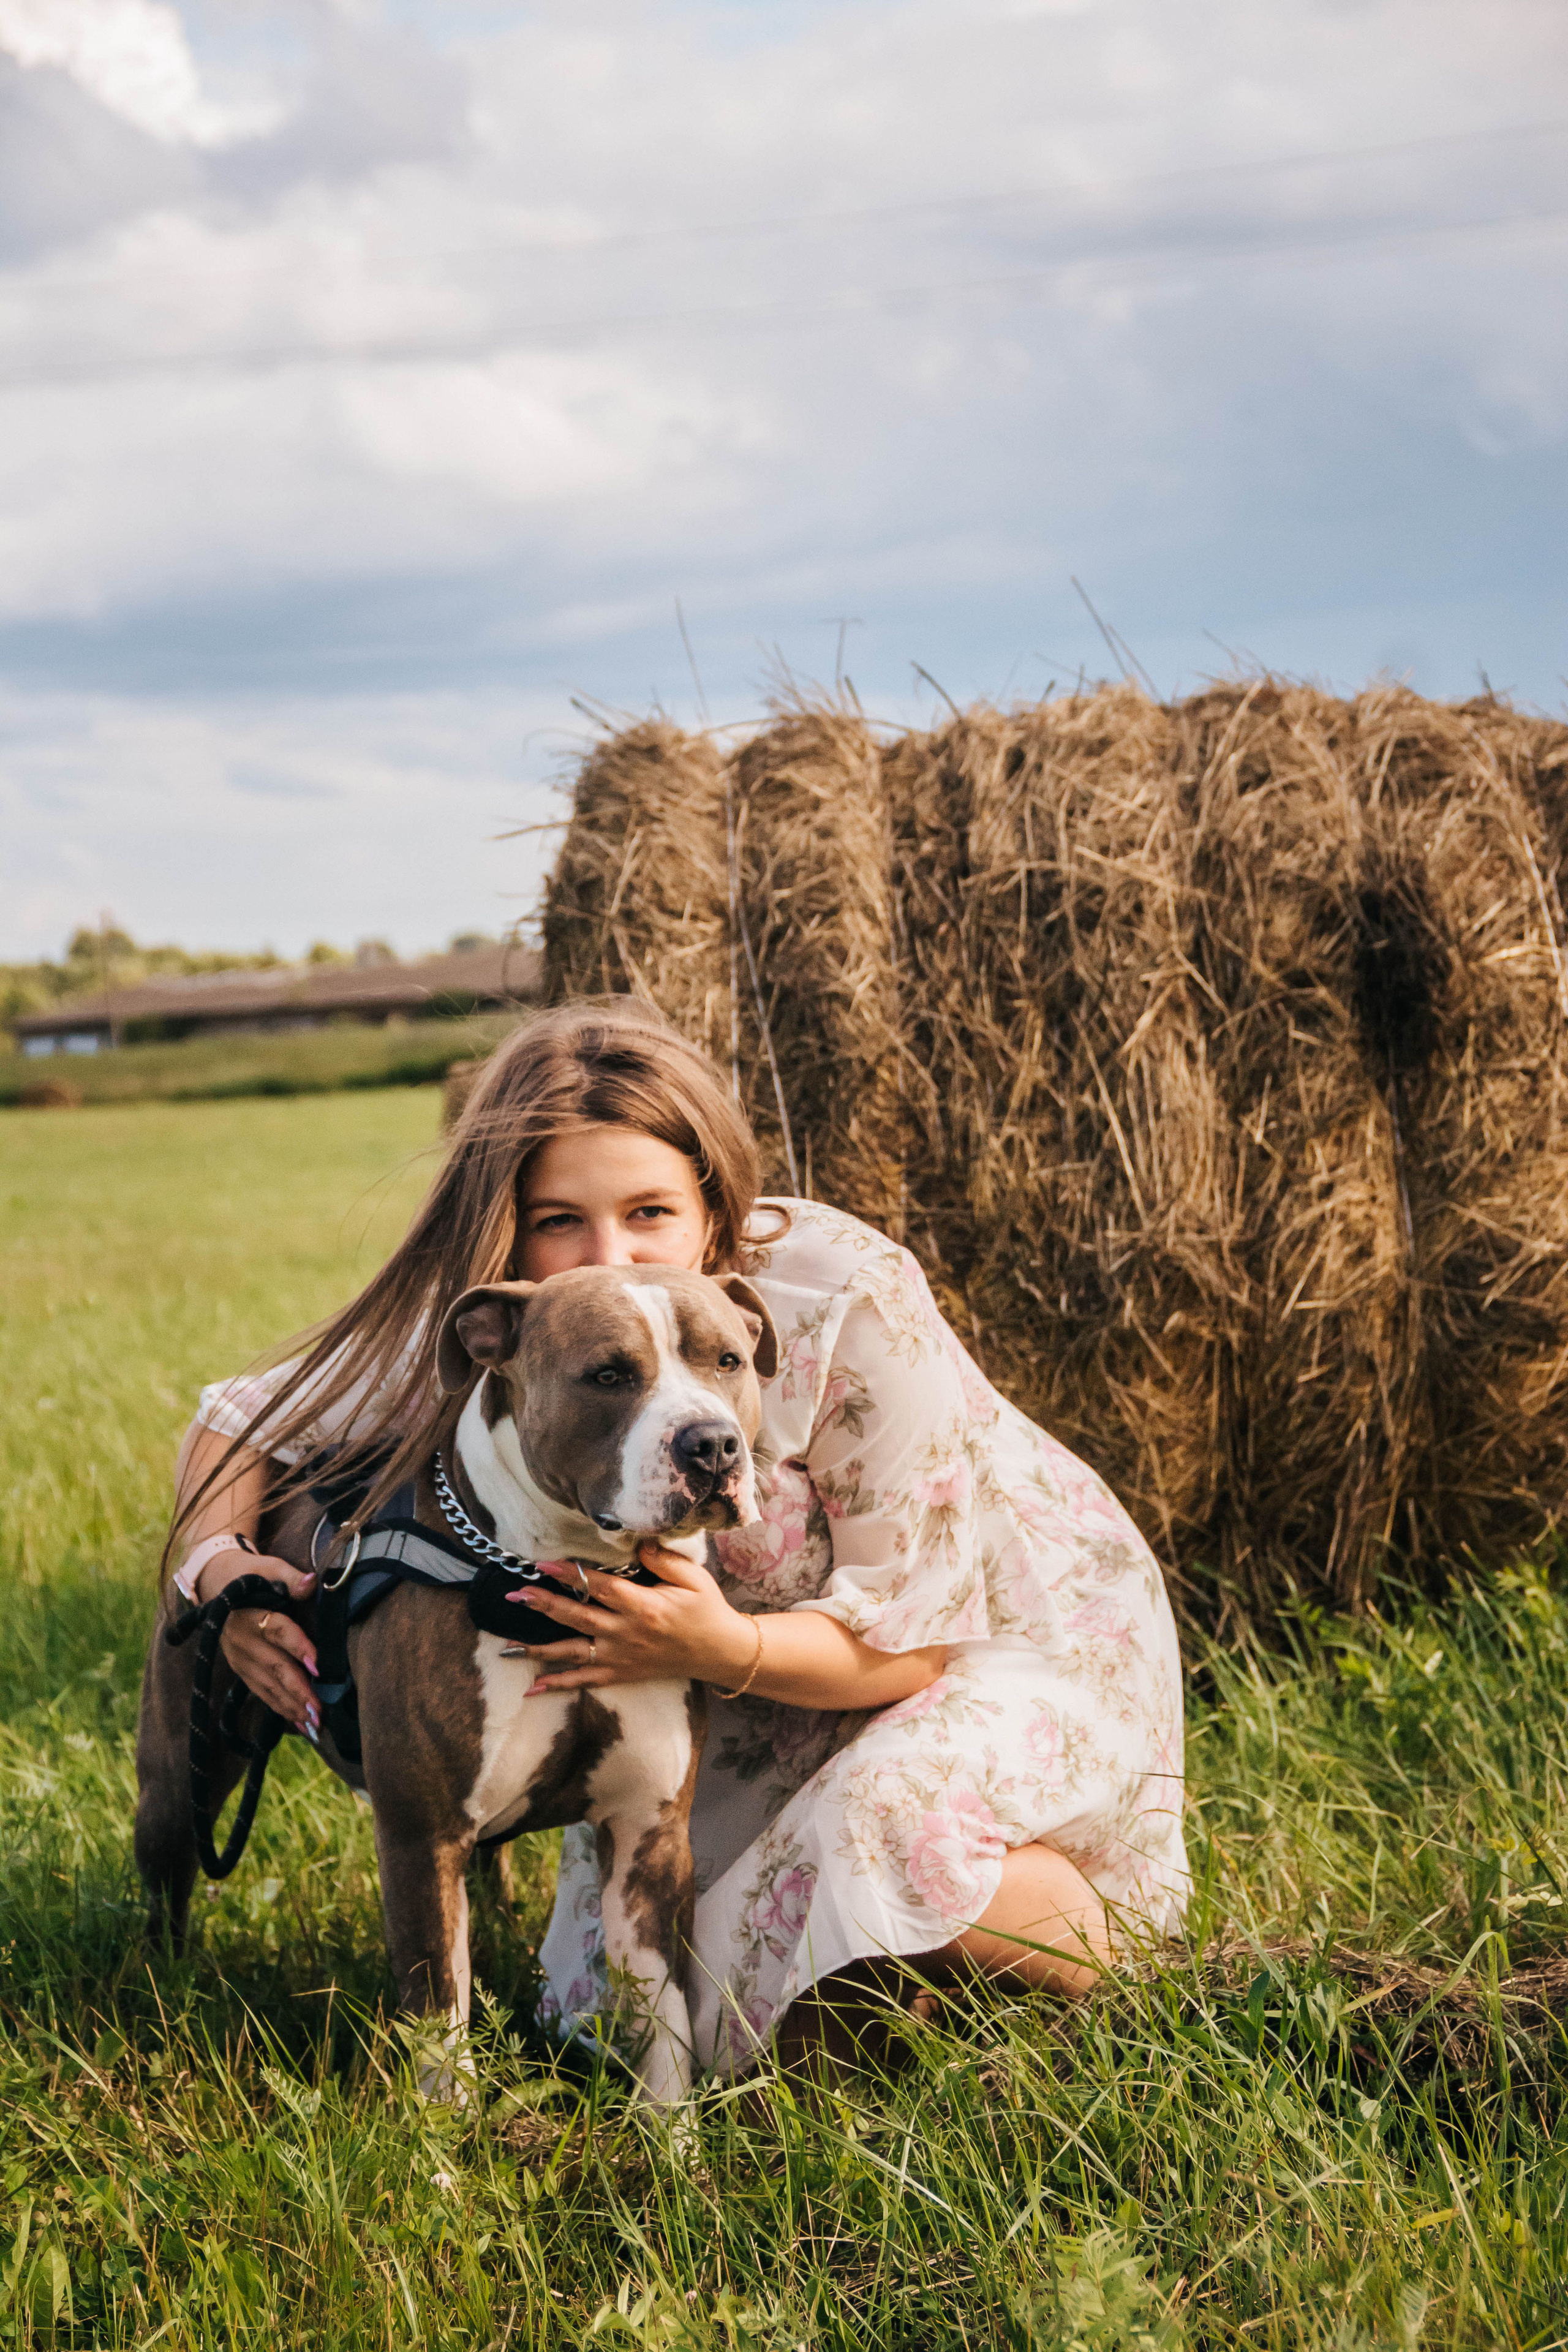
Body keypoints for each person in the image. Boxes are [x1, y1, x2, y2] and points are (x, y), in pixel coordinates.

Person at [168, 1000, 1188, 2078]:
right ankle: (918, 1967)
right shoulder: (542, 1324)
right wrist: (222, 1578)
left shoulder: (846, 1294)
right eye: (559, 1218)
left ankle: (1130, 1961)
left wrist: (720, 1650)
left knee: (877, 1839)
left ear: (714, 1205)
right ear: (508, 1224)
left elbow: (921, 1636)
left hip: (974, 1641)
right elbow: (241, 1418)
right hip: (714, 1690)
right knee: (633, 2030)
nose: (608, 1251)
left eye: (650, 1210)